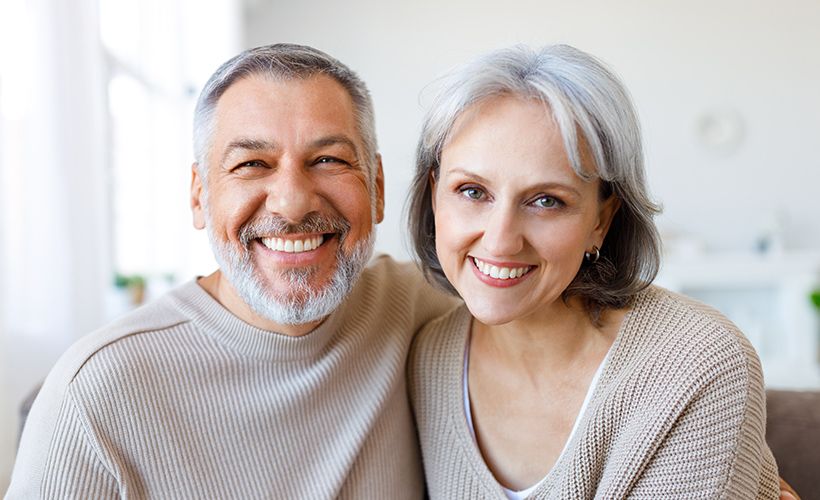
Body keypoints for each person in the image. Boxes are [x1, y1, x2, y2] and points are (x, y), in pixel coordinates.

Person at [6, 44, 457, 499]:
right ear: (199, 196)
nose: (292, 201)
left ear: (376, 187)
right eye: (251, 164)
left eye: (328, 160)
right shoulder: (93, 395)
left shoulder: (419, 308)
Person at [407, 44, 781, 498]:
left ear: (601, 221)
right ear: (433, 195)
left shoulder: (697, 363)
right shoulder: (429, 357)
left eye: (547, 200)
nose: (501, 239)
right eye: (471, 191)